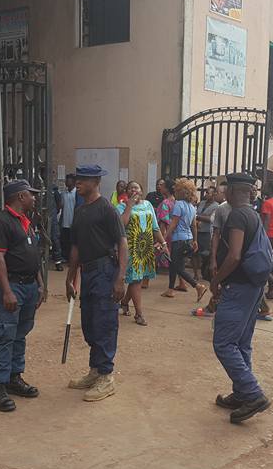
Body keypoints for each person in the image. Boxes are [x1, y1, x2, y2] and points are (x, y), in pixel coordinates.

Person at [209, 172, 271, 424]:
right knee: (242, 343)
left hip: (239, 286)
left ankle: (253, 394)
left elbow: (234, 256)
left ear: (232, 190)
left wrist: (216, 280)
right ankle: (241, 393)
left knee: (223, 344)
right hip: (254, 286)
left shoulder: (236, 215)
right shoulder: (253, 214)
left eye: (225, 188)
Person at [64, 164, 128, 402]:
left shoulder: (107, 209)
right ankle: (95, 371)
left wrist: (120, 278)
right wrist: (71, 278)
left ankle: (106, 377)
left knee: (104, 322)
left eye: (82, 179)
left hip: (104, 271)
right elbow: (76, 248)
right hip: (88, 272)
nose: (77, 182)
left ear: (95, 181)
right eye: (77, 178)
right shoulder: (80, 211)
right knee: (90, 323)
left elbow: (122, 243)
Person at [0, 179, 48, 412]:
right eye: (31, 194)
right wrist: (7, 291)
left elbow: (34, 256)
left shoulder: (26, 222)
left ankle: (14, 378)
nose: (34, 198)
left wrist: (40, 284)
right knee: (5, 335)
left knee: (20, 334)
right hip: (13, 287)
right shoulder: (1, 223)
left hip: (30, 286)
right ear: (20, 197)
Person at [118, 181, 165, 326]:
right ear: (127, 192)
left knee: (136, 279)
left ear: (141, 190)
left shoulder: (148, 205)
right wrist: (129, 206)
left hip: (145, 248)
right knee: (136, 280)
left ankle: (125, 302)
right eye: (130, 188)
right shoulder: (121, 206)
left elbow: (155, 227)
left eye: (136, 187)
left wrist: (163, 244)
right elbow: (120, 226)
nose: (133, 190)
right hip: (130, 249)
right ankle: (139, 314)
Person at [161, 178, 208, 301]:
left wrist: (164, 238)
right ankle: (170, 289)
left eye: (176, 190)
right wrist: (195, 240)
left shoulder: (178, 205)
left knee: (177, 267)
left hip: (178, 240)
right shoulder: (192, 207)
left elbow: (173, 224)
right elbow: (194, 226)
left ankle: (197, 286)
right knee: (174, 264)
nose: (174, 192)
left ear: (180, 192)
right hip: (188, 239)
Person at [196, 184, 222, 281]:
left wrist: (198, 217)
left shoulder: (217, 206)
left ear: (214, 194)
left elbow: (211, 219)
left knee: (206, 254)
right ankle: (196, 273)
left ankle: (205, 272)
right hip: (197, 231)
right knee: (195, 253)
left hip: (206, 232)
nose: (206, 194)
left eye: (208, 192)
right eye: (206, 192)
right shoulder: (201, 203)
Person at [60, 173, 78, 259]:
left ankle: (72, 259)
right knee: (65, 241)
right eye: (66, 180)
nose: (66, 182)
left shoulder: (77, 193)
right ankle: (66, 257)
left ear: (73, 182)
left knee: (72, 242)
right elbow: (62, 206)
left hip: (73, 222)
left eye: (68, 180)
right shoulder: (64, 193)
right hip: (65, 222)